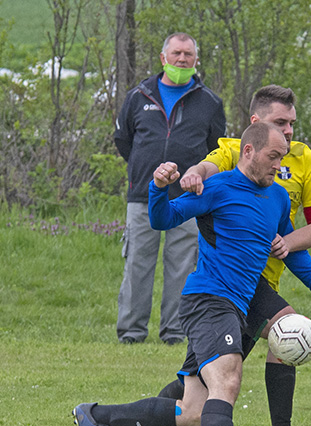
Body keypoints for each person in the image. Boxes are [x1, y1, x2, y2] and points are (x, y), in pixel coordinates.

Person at [73, 122, 311, 426]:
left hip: (239, 304)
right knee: (228, 377)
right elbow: (162, 219)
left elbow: (287, 251)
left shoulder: (277, 197)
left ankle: (96, 415)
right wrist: (157, 187)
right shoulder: (217, 187)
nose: (278, 165)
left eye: (282, 158)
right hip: (208, 299)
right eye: (273, 157)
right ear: (249, 152)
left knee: (194, 411)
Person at [114, 32, 226, 345]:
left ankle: (175, 331)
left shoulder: (210, 102)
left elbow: (217, 150)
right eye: (176, 53)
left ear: (196, 60)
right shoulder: (139, 95)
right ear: (163, 58)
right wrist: (145, 172)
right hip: (144, 196)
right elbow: (124, 140)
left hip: (189, 198)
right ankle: (132, 331)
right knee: (138, 261)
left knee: (182, 265)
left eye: (188, 54)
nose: (181, 59)